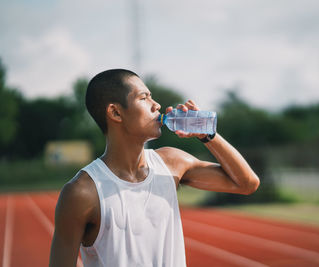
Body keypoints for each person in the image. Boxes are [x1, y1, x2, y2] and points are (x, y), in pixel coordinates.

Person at [49, 69, 260, 267]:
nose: (156, 104)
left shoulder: (171, 162)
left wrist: (207, 135)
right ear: (115, 112)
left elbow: (247, 184)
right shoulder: (82, 192)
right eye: (144, 98)